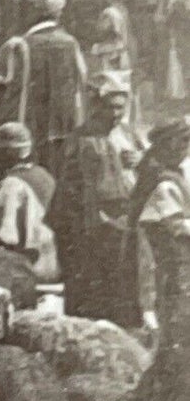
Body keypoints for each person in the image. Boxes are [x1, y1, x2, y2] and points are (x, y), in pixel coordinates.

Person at [48, 72, 144, 322]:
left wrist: (139, 162)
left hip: (121, 221)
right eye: (110, 108)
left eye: (120, 108)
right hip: (90, 224)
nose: (115, 114)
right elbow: (73, 190)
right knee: (91, 289)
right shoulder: (81, 140)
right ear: (97, 106)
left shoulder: (127, 133)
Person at [0, 0, 86, 178]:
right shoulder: (70, 43)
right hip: (63, 124)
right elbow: (81, 79)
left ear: (35, 12)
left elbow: (1, 86)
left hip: (29, 124)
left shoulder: (20, 45)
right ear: (58, 14)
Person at [0, 122, 60, 284]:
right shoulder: (45, 176)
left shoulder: (11, 184)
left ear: (8, 153)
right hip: (48, 260)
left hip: (17, 266)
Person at [129, 116, 190, 339]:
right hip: (162, 248)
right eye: (181, 141)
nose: (185, 147)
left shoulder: (167, 169)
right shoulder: (159, 175)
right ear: (167, 144)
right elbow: (173, 222)